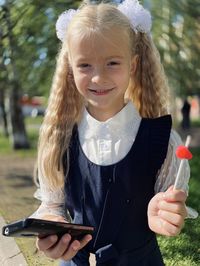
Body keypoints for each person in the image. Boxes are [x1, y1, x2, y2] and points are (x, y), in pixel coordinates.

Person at [32, 1, 193, 265]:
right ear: (70, 69)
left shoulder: (162, 140)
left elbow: (171, 203)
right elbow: (53, 206)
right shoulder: (58, 138)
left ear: (132, 64)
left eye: (112, 63)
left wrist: (165, 212)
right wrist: (51, 224)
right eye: (85, 65)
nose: (98, 77)